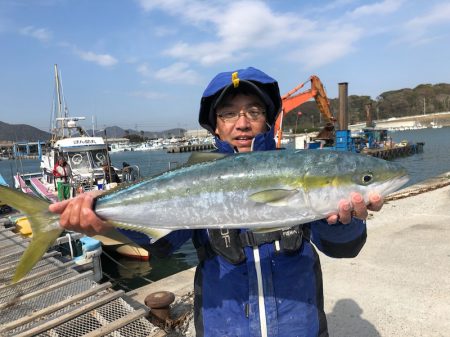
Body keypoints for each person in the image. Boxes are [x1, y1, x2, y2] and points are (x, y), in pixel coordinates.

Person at [50, 67, 383, 337]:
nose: (242, 122)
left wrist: (345, 219)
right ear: (216, 126)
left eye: (254, 110)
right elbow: (160, 243)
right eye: (228, 113)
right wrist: (104, 220)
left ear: (268, 120)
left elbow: (343, 247)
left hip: (301, 328)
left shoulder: (298, 170)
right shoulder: (195, 174)